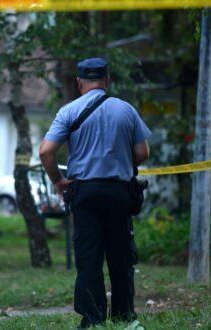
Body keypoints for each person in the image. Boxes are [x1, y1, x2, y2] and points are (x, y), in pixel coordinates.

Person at [39, 58, 151, 329]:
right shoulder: (126, 110)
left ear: (79, 83)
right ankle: (125, 319)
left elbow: (45, 151)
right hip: (119, 192)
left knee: (89, 257)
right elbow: (143, 153)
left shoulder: (68, 111)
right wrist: (120, 161)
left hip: (85, 192)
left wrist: (57, 181)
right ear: (107, 80)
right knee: (121, 256)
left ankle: (93, 320)